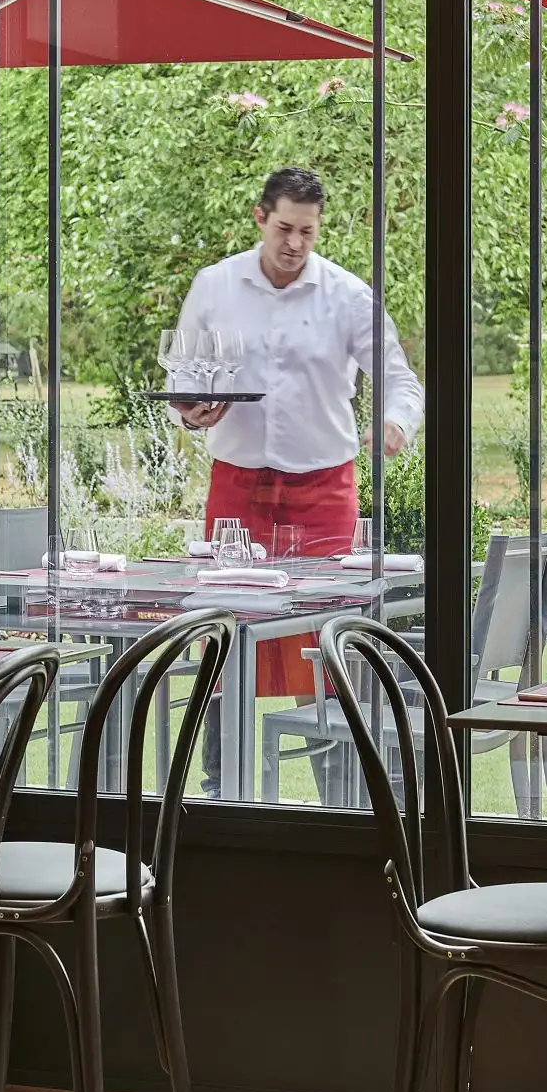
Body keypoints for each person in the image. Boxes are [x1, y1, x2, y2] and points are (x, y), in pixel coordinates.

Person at [171, 165, 423, 697]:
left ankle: (335, 773)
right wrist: (189, 410)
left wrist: (397, 421)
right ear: (261, 218)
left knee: (330, 642)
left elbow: (400, 380)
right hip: (238, 488)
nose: (294, 243)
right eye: (285, 228)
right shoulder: (214, 286)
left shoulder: (348, 296)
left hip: (324, 491)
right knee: (224, 637)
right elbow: (183, 375)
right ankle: (221, 782)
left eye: (307, 231)